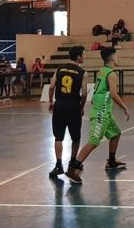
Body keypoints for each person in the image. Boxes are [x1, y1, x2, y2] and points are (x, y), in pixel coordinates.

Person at [66, 47, 130, 184]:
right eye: (117, 56)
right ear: (112, 58)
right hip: (101, 112)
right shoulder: (111, 74)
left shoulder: (102, 70)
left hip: (103, 110)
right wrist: (125, 107)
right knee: (94, 141)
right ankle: (73, 168)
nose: (118, 58)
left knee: (115, 133)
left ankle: (111, 161)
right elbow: (113, 94)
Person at [48, 46, 87, 178]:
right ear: (78, 57)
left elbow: (51, 86)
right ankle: (72, 162)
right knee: (75, 137)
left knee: (58, 136)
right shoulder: (82, 72)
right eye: (82, 55)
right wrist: (81, 107)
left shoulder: (59, 69)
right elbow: (84, 93)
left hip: (59, 104)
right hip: (73, 106)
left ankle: (58, 165)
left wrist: (50, 101)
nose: (84, 57)